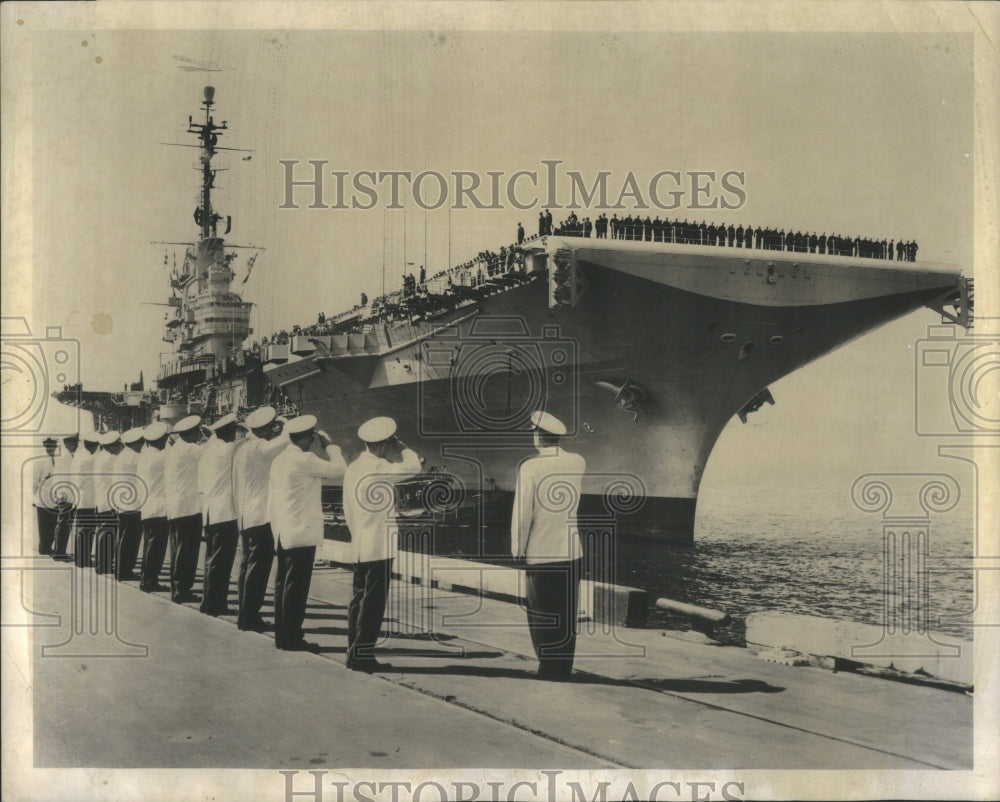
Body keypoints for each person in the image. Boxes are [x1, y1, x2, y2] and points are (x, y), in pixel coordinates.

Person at [511, 410, 586, 681]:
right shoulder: (578, 461)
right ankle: (564, 666)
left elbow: (523, 515)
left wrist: (517, 549)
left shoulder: (530, 467)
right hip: (571, 551)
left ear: (538, 435)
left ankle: (548, 668)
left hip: (541, 553)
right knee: (566, 613)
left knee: (541, 613)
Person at [343, 416, 421, 671]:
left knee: (358, 601)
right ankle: (363, 657)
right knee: (373, 606)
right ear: (383, 444)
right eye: (388, 444)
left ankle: (353, 653)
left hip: (360, 544)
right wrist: (403, 447)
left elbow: (347, 509)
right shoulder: (377, 467)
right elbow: (413, 467)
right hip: (378, 547)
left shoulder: (354, 466)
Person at [267, 415, 346, 651]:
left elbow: (271, 499)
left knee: (283, 586)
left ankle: (283, 636)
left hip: (283, 531)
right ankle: (291, 638)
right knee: (297, 589)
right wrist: (331, 446)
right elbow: (340, 469)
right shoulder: (305, 459)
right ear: (304, 438)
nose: (313, 441)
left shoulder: (279, 460)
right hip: (301, 533)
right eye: (312, 437)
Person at [233, 406, 287, 632]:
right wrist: (284, 422)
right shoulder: (260, 447)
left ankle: (244, 613)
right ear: (264, 429)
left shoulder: (241, 447)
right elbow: (286, 440)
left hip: (244, 515)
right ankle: (249, 617)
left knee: (247, 566)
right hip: (260, 516)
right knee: (258, 568)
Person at [198, 413, 241, 616]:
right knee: (221, 563)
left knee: (211, 561)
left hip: (209, 512)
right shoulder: (229, 449)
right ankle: (215, 604)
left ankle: (209, 602)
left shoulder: (209, 449)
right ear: (231, 432)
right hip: (225, 514)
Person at [164, 414, 203, 601]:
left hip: (177, 508)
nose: (199, 436)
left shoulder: (176, 448)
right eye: (197, 432)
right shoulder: (190, 449)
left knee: (178, 550)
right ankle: (181, 590)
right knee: (186, 552)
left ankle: (179, 588)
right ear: (191, 433)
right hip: (187, 508)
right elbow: (211, 452)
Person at [137, 421, 170, 593]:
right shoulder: (160, 457)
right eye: (165, 438)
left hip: (148, 507)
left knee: (149, 546)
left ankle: (146, 579)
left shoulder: (145, 455)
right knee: (156, 548)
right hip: (159, 508)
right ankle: (150, 581)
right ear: (160, 439)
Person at [114, 428, 145, 581]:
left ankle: (121, 570)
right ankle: (125, 572)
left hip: (121, 503)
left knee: (122, 540)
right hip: (133, 505)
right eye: (141, 442)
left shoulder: (122, 456)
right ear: (136, 443)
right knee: (131, 542)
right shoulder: (136, 457)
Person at [94, 431, 123, 574]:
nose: (119, 448)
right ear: (111, 446)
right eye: (117, 445)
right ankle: (104, 566)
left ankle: (101, 565)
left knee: (103, 534)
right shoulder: (111, 459)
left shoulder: (101, 457)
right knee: (107, 535)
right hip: (108, 502)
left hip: (101, 500)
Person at [72, 433, 100, 568]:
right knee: (87, 532)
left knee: (81, 531)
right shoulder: (90, 459)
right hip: (88, 500)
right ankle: (83, 559)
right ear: (94, 446)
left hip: (80, 499)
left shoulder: (79, 457)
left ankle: (80, 559)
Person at [51, 433, 79, 560]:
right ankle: (59, 552)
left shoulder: (62, 454)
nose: (76, 445)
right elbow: (67, 476)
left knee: (62, 523)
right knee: (63, 524)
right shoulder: (67, 457)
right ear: (68, 443)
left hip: (63, 493)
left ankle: (59, 551)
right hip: (66, 494)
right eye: (74, 443)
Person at [32, 437, 59, 555]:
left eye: (52, 446)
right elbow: (34, 482)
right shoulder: (39, 461)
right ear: (45, 446)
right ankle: (44, 548)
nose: (50, 448)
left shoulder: (58, 460)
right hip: (42, 499)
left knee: (53, 525)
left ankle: (47, 547)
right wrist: (36, 497)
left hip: (54, 499)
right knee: (43, 525)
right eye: (48, 446)